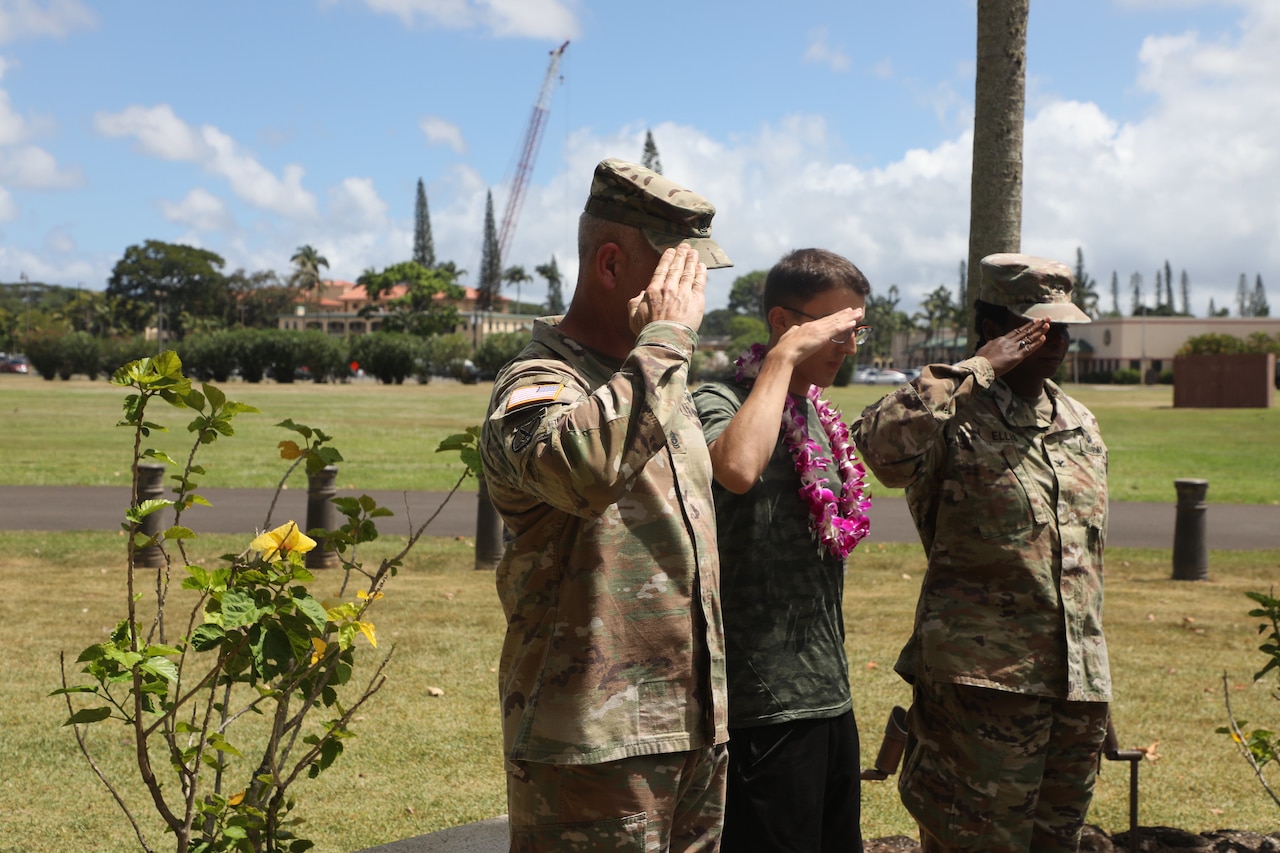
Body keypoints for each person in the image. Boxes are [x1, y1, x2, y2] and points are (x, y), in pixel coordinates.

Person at [479, 158, 733, 852]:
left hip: (693, 730)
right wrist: (663, 343)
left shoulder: (657, 379)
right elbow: (583, 470)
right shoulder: (539, 383)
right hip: (591, 744)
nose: (692, 297)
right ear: (612, 264)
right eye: (677, 274)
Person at [851, 253, 1111, 853]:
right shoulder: (950, 413)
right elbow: (881, 449)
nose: (1060, 340)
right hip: (980, 691)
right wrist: (973, 370)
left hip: (1075, 688)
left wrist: (1089, 674)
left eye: (1066, 327)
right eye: (1042, 326)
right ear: (997, 328)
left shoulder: (1079, 423)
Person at [692, 248, 873, 852]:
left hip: (827, 691)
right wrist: (786, 358)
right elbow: (738, 467)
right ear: (781, 322)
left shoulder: (819, 412)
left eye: (857, 330)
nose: (848, 345)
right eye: (835, 329)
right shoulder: (717, 400)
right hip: (759, 699)